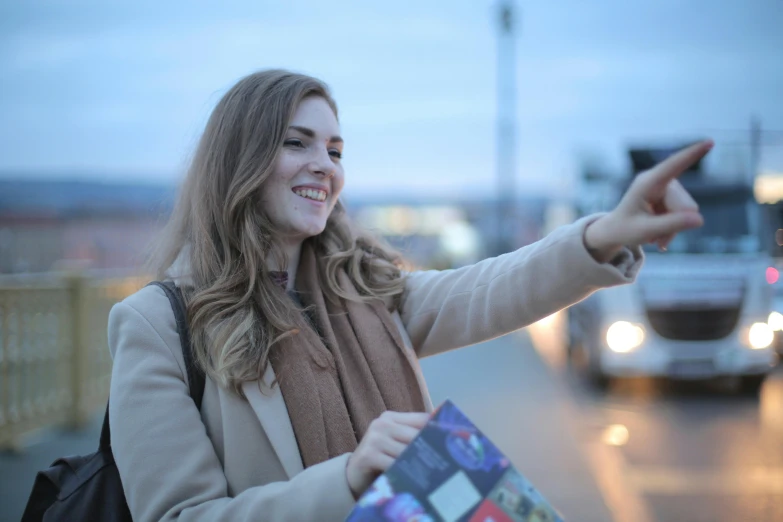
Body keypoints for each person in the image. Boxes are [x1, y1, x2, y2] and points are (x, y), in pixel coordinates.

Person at [107, 69, 709, 522]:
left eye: (336, 151)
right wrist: (347, 478)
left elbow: (493, 289)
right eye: (297, 143)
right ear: (238, 160)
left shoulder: (365, 291)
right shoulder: (157, 325)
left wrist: (604, 234)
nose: (325, 165)